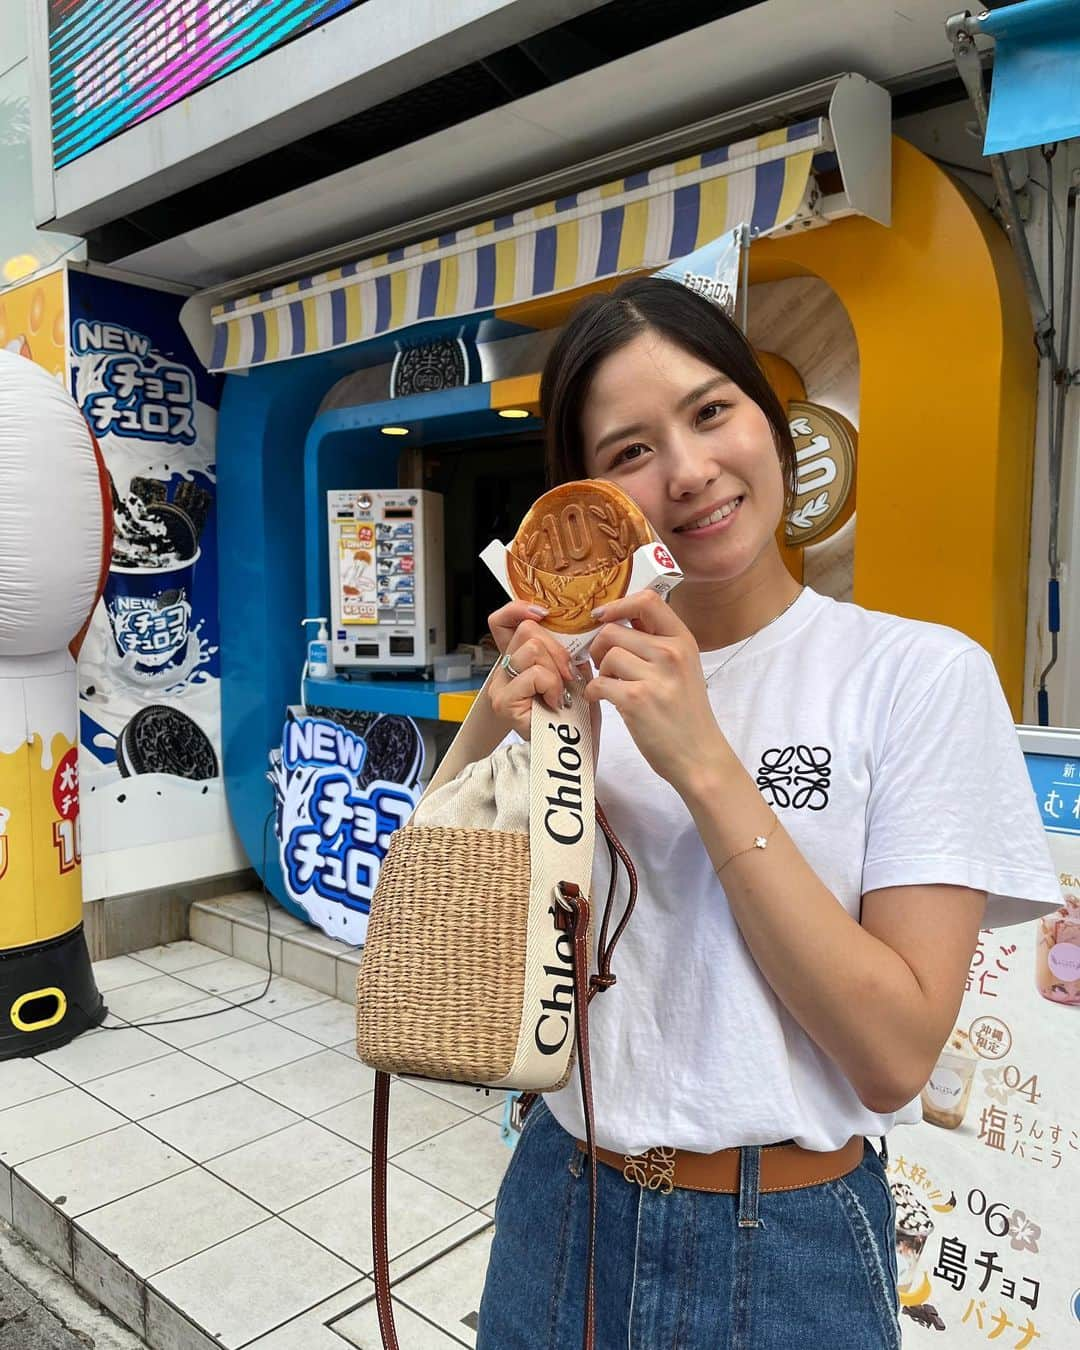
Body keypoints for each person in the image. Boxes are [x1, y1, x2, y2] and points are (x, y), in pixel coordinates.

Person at [475, 276, 1060, 1350]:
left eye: (710, 412)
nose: (689, 471)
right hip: (561, 1206)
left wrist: (704, 763)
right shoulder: (559, 684)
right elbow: (456, 957)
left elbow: (892, 1055)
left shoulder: (916, 675)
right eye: (629, 452)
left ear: (770, 420)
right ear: (588, 501)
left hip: (787, 1247)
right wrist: (495, 742)